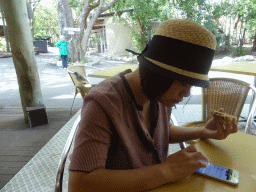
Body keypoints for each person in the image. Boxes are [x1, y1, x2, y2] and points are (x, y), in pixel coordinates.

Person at [68, 19, 238, 191]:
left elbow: (161, 132)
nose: (187, 93)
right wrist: (166, 170)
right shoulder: (102, 103)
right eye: (184, 82)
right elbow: (79, 184)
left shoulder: (158, 93)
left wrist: (202, 131)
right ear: (157, 73)